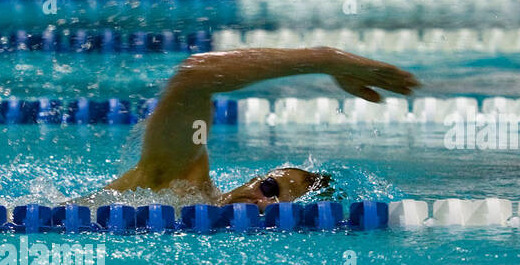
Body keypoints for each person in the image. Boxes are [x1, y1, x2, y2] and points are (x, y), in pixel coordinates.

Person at [92, 47, 420, 208]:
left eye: (282, 211)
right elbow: (194, 77)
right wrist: (324, 60)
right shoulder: (184, 181)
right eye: (269, 188)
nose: (264, 204)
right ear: (253, 180)